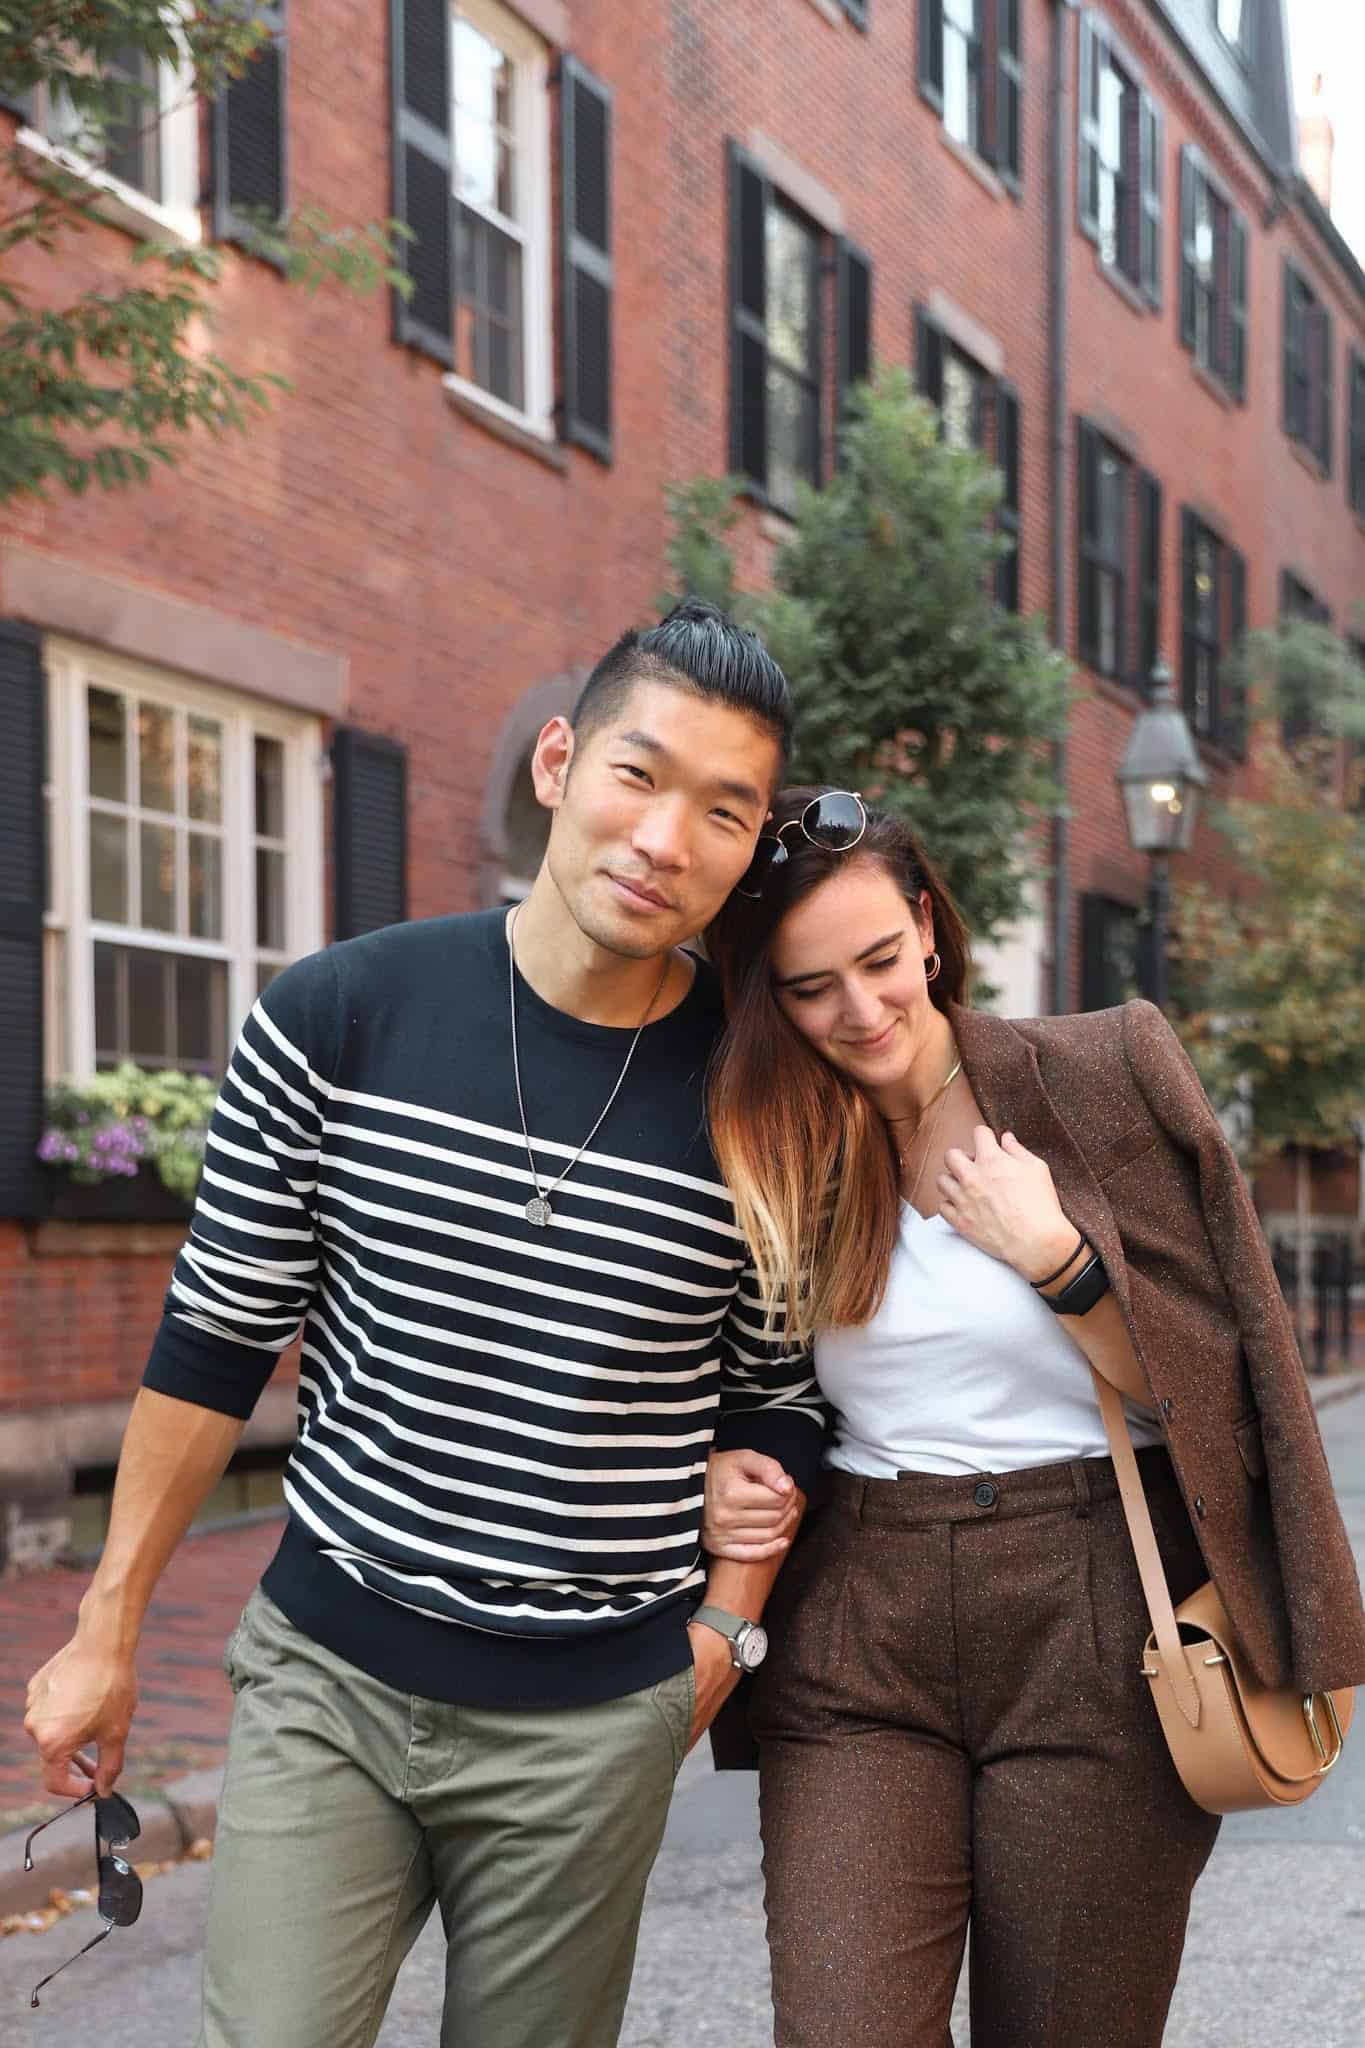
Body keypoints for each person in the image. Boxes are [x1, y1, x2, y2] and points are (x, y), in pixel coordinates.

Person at [23, 601, 828, 2048]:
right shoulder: (338, 1015)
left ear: (751, 842)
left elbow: (775, 1396)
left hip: (595, 1717)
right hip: (328, 1677)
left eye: (723, 811)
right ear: (559, 764)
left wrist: (723, 1633)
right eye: (638, 775)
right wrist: (107, 1624)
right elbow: (216, 1341)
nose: (664, 839)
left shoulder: (762, 1098)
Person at [700, 787, 1365, 2048]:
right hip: (860, 1624)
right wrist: (718, 1468)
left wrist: (1060, 1260)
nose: (861, 1010)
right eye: (812, 987)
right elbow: (728, 1369)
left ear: (928, 928)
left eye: (880, 959)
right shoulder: (777, 1139)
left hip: (1096, 1616)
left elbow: (1219, 1391)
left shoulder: (1100, 1071)